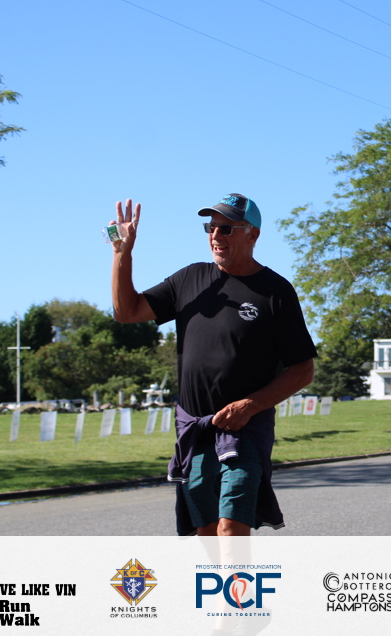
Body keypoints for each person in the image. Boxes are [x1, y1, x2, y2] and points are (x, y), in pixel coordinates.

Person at [110, 195, 315, 536]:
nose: (216, 235)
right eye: (211, 227)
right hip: (195, 429)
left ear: (253, 234)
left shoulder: (276, 291)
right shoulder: (189, 279)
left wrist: (249, 406)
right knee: (205, 532)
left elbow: (302, 370)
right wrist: (122, 252)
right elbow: (126, 312)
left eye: (227, 229)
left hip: (244, 430)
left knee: (230, 527)